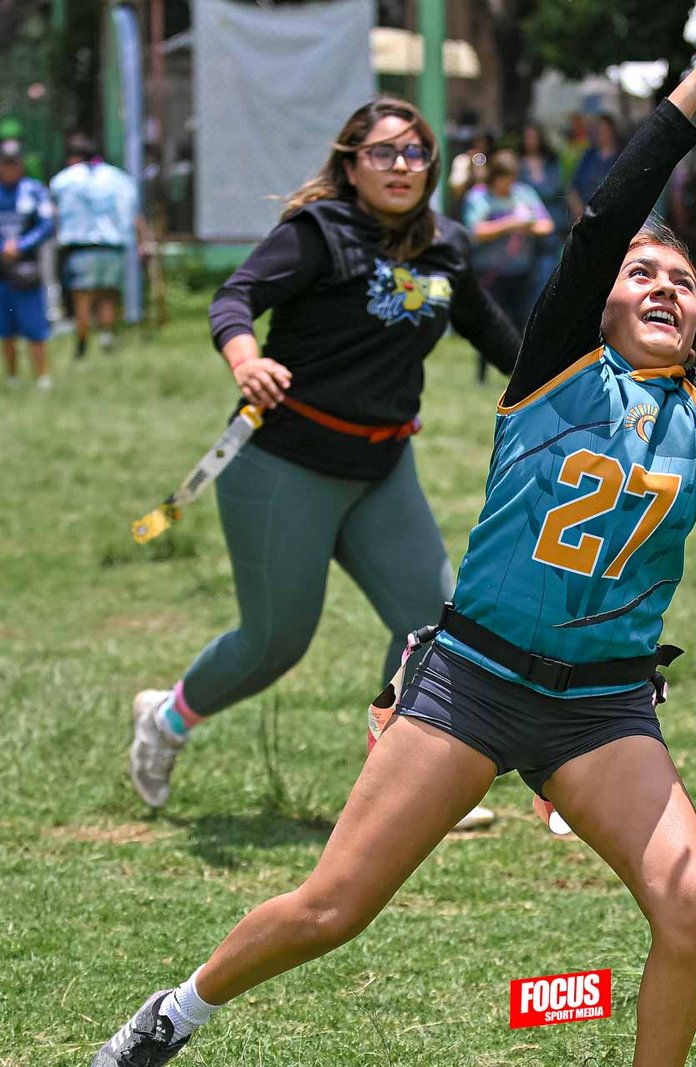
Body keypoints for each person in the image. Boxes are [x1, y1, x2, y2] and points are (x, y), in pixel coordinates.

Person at [91, 9, 696, 1064]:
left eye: (681, 282)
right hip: (475, 681)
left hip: (602, 704)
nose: (665, 287)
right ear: (601, 306)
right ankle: (174, 1012)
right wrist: (694, 91)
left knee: (694, 907)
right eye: (643, 276)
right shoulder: (555, 367)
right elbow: (599, 225)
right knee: (332, 907)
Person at [122, 96, 524, 814]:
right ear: (351, 164)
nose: (401, 166)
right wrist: (246, 360)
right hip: (285, 464)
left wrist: (572, 390)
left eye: (415, 153)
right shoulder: (319, 232)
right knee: (275, 643)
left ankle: (400, 790)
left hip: (381, 468)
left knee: (431, 625)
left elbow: (497, 337)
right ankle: (164, 719)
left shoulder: (446, 247)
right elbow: (236, 297)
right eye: (382, 152)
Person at [462, 148, 554, 378]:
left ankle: (518, 373)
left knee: (521, 321)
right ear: (495, 176)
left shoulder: (524, 194)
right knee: (488, 323)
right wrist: (510, 224)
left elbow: (546, 225)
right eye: (505, 178)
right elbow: (474, 231)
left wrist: (527, 226)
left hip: (521, 270)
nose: (509, 184)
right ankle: (482, 373)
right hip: (489, 272)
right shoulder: (478, 197)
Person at [51, 133, 141, 359]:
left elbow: (54, 210)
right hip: (113, 246)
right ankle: (107, 338)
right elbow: (133, 213)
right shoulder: (119, 178)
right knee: (108, 295)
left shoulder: (65, 179)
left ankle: (81, 346)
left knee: (82, 298)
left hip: (80, 247)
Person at [0, 143, 56, 389]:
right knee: (4, 329)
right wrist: (0, 246)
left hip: (26, 271)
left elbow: (46, 225)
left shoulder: (34, 191)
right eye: (5, 164)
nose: (9, 170)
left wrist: (21, 245)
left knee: (34, 327)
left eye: (13, 164)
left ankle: (42, 376)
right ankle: (12, 377)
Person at [518, 120, 568, 308]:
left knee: (547, 270)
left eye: (533, 137)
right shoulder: (518, 163)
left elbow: (555, 187)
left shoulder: (551, 162)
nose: (530, 141)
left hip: (550, 224)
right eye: (527, 137)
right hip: (526, 226)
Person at [567, 112, 623, 221]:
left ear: (612, 131)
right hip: (585, 217)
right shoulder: (588, 157)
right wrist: (578, 209)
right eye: (598, 130)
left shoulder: (620, 157)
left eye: (604, 130)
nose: (601, 134)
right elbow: (572, 187)